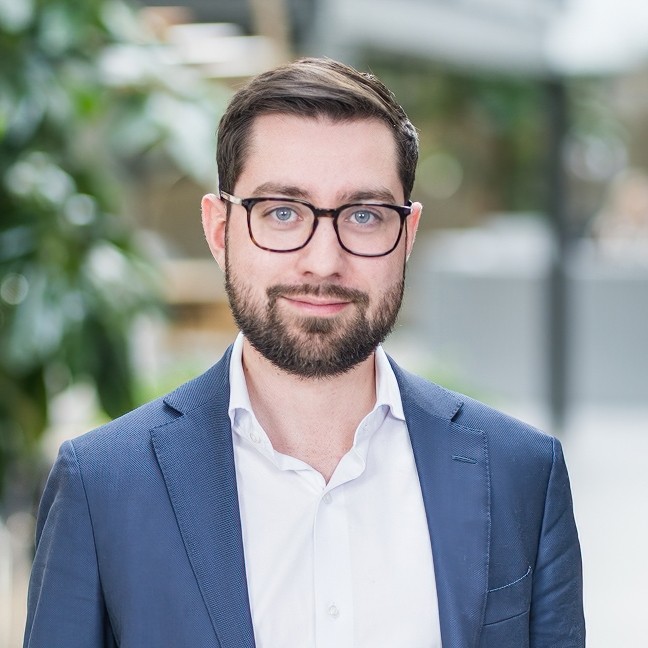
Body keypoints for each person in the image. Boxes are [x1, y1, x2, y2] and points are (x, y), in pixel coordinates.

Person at [24, 57, 584, 648]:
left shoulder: (521, 473)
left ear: (408, 235)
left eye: (364, 215)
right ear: (219, 230)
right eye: (283, 213)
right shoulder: (103, 484)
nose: (322, 261)